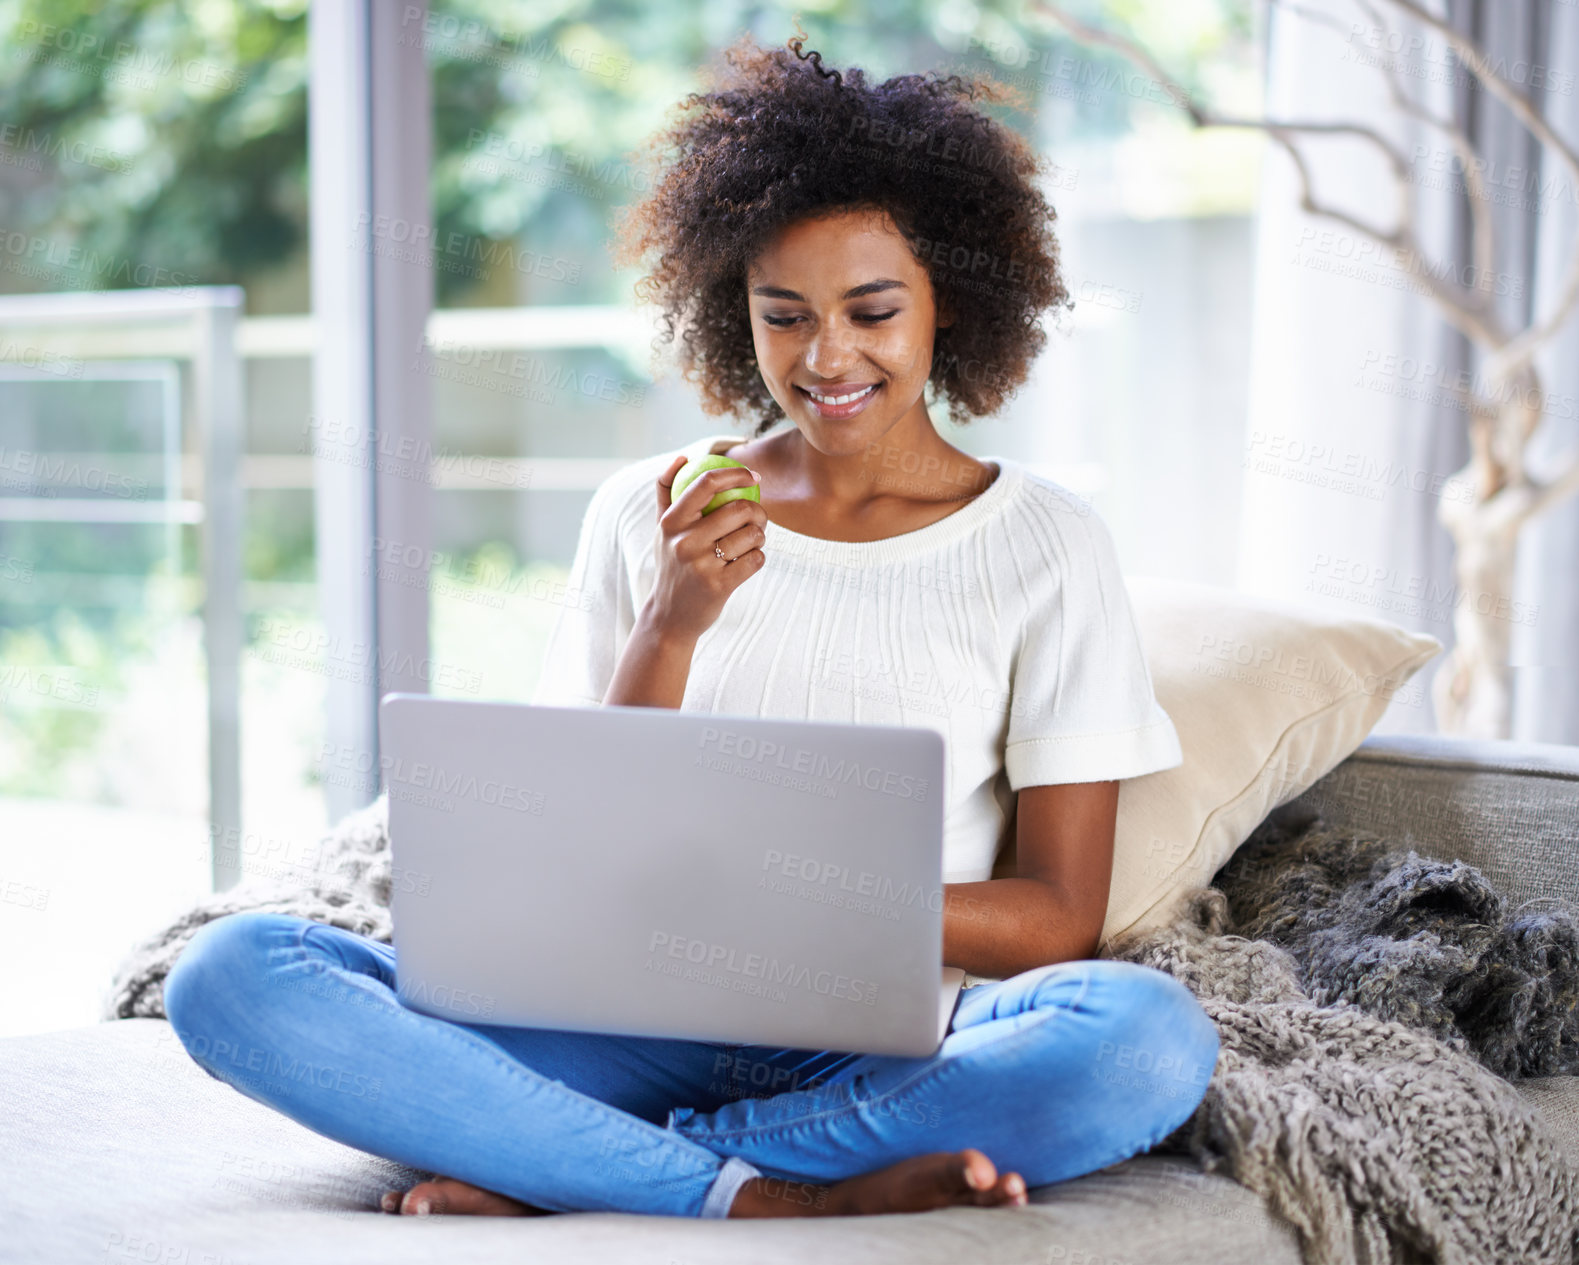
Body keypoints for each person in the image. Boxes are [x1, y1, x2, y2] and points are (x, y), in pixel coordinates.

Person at [163, 33, 1218, 1221]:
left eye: (871, 310)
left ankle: (574, 1160)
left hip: (880, 1043)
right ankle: (767, 1193)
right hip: (622, 1019)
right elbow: (567, 843)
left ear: (950, 305)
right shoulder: (650, 507)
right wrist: (673, 619)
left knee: (1145, 1041)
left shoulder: (1044, 544)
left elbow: (1057, 915)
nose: (826, 357)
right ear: (737, 315)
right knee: (235, 976)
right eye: (784, 316)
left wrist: (794, 900)